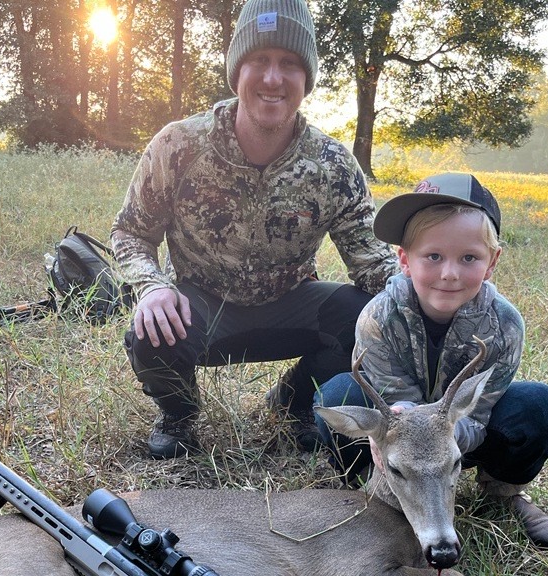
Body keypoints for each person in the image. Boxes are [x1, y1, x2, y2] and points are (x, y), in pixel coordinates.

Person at [110, 0, 398, 460]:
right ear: (236, 71)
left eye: (288, 64)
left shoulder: (332, 164)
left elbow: (372, 261)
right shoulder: (179, 144)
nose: (272, 78)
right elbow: (130, 233)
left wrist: (434, 294)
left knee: (368, 316)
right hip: (199, 306)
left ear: (306, 80)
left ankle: (293, 403)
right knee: (150, 331)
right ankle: (180, 416)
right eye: (258, 61)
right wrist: (152, 288)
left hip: (290, 306)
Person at [313, 172, 548, 549]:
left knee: (541, 407)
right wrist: (395, 431)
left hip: (458, 444)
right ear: (404, 259)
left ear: (492, 262)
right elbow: (396, 404)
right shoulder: (378, 317)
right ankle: (378, 496)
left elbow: (478, 415)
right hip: (398, 447)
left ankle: (504, 493)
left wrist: (444, 438)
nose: (449, 273)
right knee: (337, 396)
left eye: (469, 258)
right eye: (432, 256)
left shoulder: (504, 325)